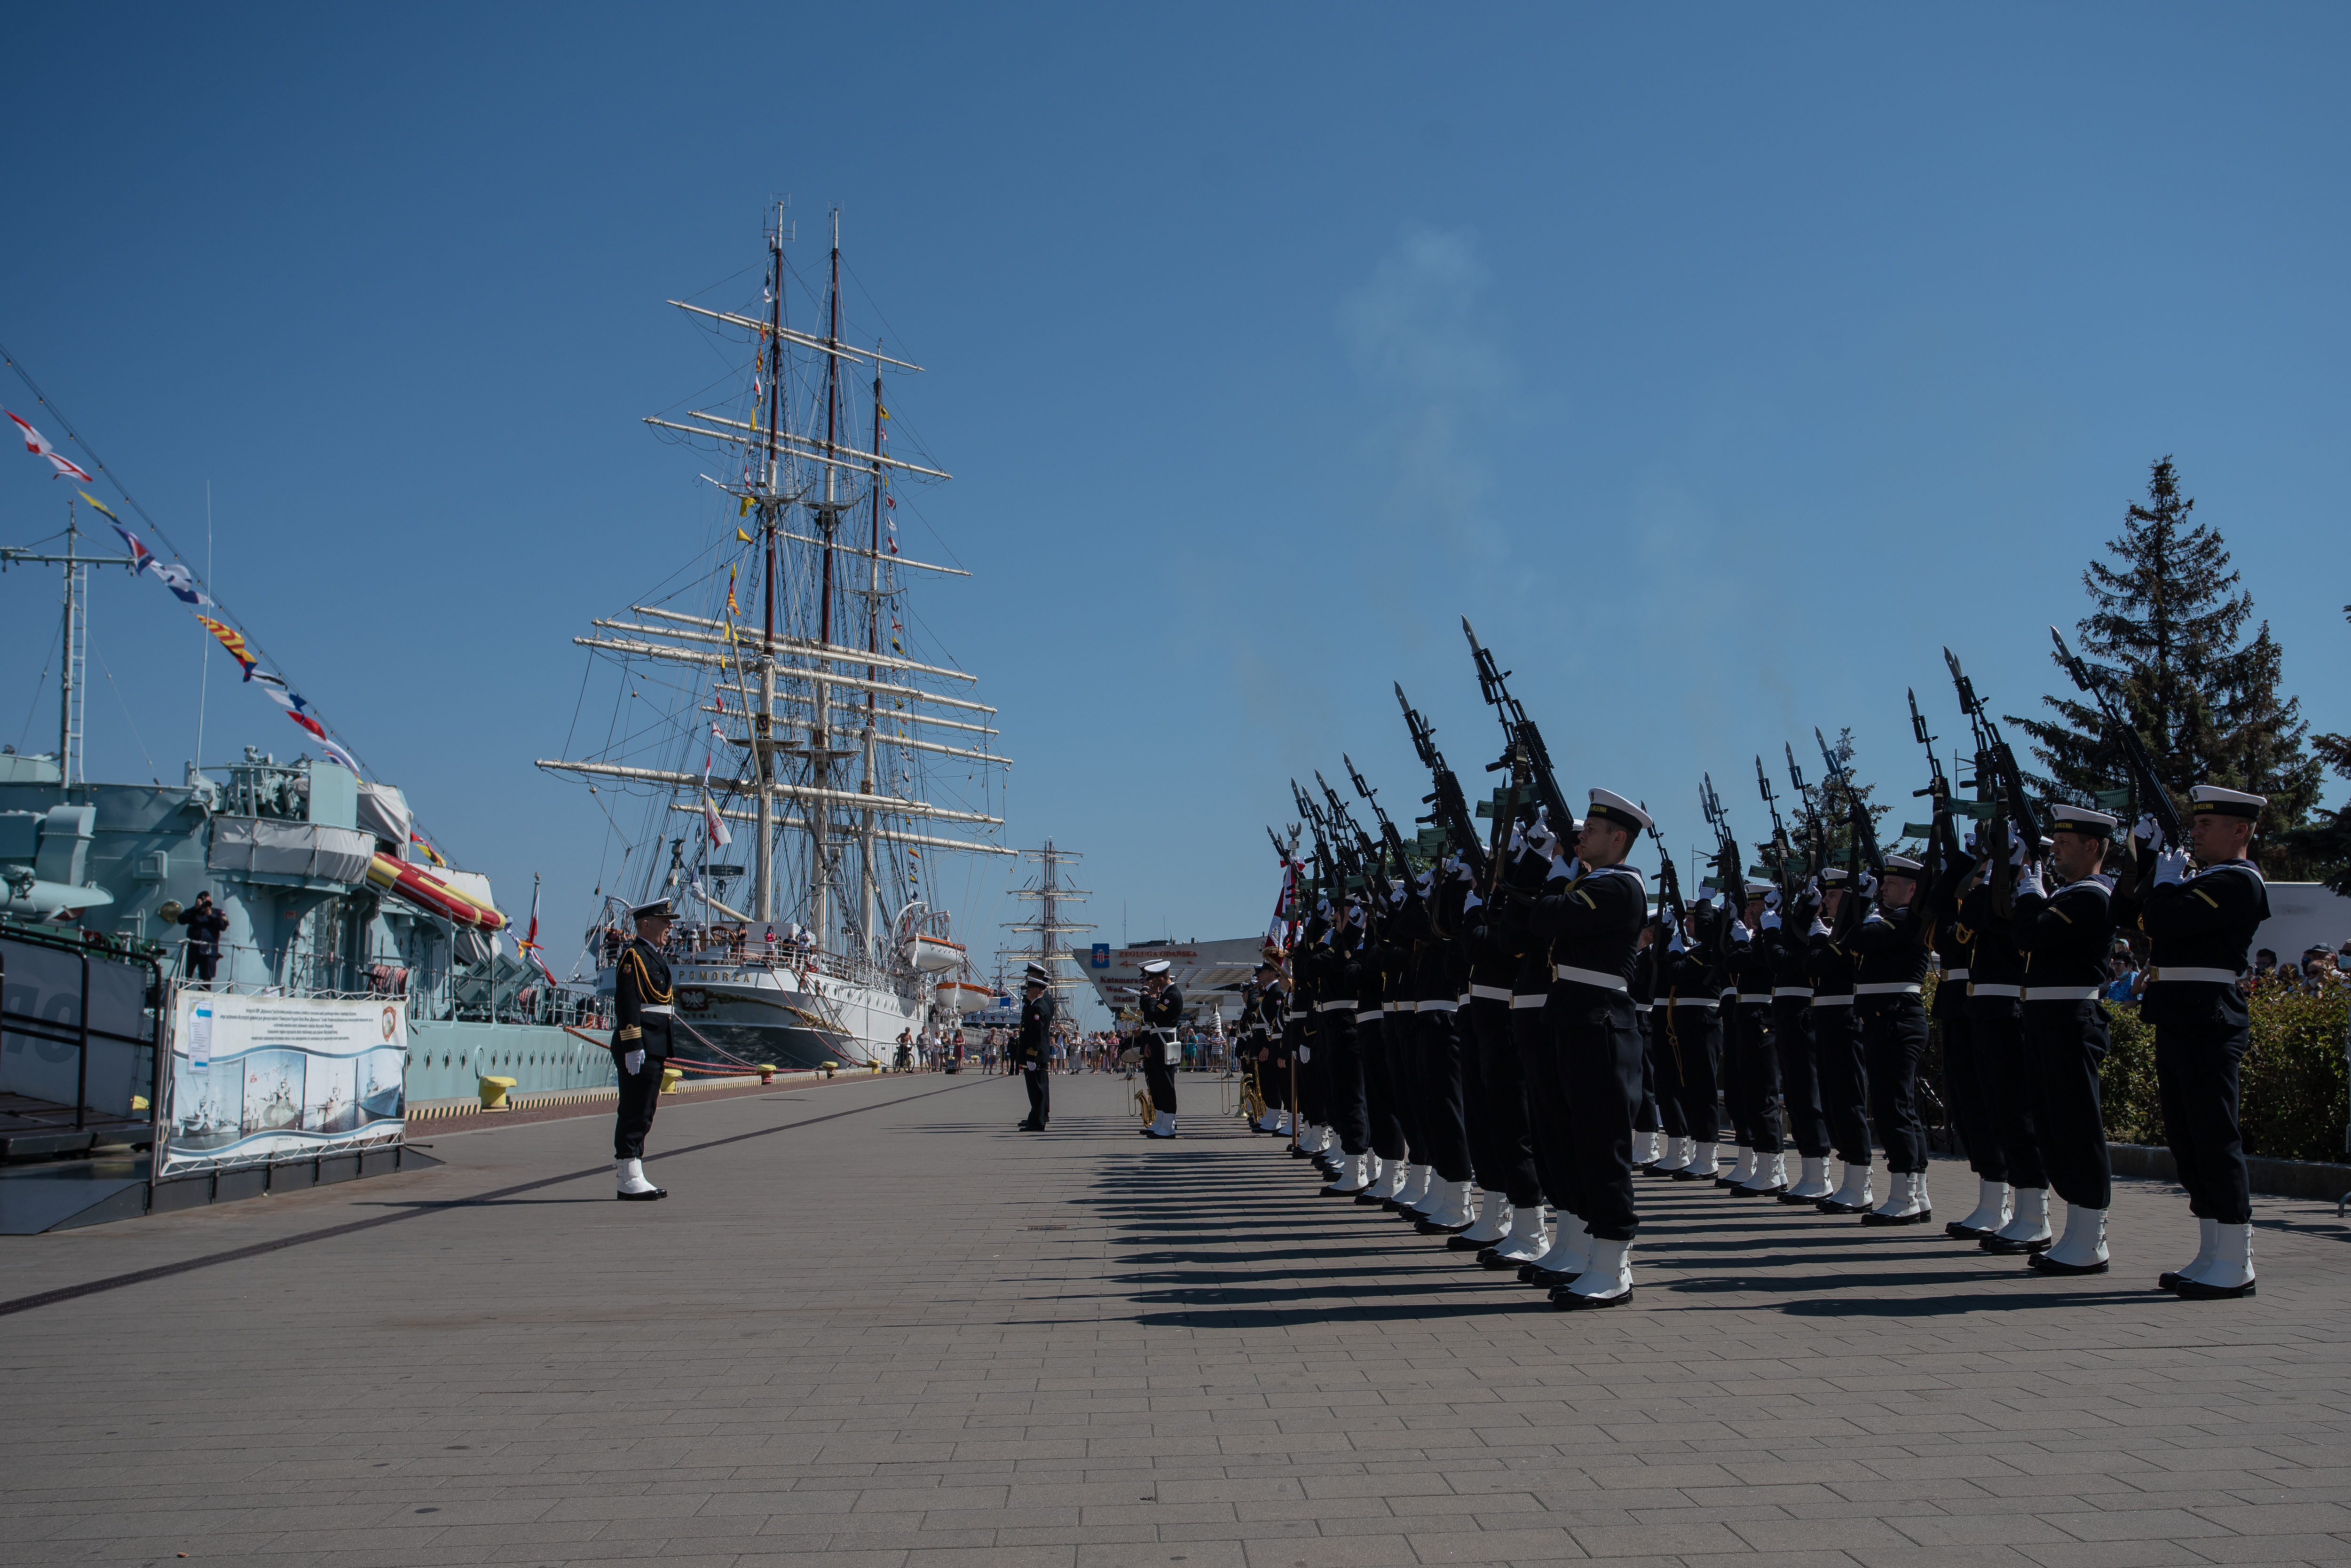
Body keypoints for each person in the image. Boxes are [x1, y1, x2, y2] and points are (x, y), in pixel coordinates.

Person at [1515, 788, 1653, 1309]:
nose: (1579, 837)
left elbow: (1546, 918)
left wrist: (1556, 871)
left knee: (1602, 1146)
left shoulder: (1619, 886)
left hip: (1599, 1021)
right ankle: (1580, 1248)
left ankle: (1614, 1265)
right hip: (1574, 1016)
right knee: (1568, 1141)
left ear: (1618, 839)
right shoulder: (1593, 880)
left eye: (1590, 832)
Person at [2140, 785, 2270, 1300]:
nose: (2194, 830)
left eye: (2205, 823)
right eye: (2194, 822)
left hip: (2208, 1015)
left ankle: (2236, 1259)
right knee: (2187, 1137)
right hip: (2178, 1012)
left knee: (2214, 1135)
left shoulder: (2239, 881)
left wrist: (2165, 883)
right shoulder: (2202, 879)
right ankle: (2211, 1248)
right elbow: (2142, 917)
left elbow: (2163, 922)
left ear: (2239, 831)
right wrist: (2148, 861)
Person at [2010, 807, 2120, 1274]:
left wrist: (2029, 895)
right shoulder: (2067, 895)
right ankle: (2075, 1231)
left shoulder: (2091, 896)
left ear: (2092, 846)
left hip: (2071, 1016)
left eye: (2065, 840)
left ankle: (2090, 1235)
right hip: (2046, 1016)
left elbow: (2029, 934)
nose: (2054, 846)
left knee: (2076, 1126)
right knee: (2053, 1126)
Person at [611, 898, 676, 1201]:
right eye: (664, 922)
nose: (670, 927)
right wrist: (633, 1044)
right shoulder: (633, 956)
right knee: (635, 1109)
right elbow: (627, 1003)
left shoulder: (651, 956)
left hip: (655, 1041)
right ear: (645, 924)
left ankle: (634, 1171)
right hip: (640, 1043)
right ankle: (628, 1175)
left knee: (645, 1110)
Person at [1135, 959, 1183, 1137]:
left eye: (1154, 981)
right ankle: (1161, 1120)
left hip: (1166, 1042)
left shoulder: (1172, 995)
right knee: (1156, 1084)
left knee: (1166, 1085)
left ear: (1160, 981)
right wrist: (1150, 998)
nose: (1151, 984)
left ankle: (1169, 1124)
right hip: (1158, 1042)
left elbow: (1153, 1014)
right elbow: (1148, 1015)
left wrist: (1149, 996)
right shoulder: (1164, 994)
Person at [1012, 962, 1056, 1130]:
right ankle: (1037, 1116)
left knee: (1037, 1088)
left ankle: (1039, 1119)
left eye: (1029, 985)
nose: (1027, 989)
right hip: (1038, 1052)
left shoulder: (1040, 1004)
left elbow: (1037, 1033)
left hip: (1036, 1053)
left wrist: (1031, 1056)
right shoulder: (1037, 1003)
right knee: (1038, 1087)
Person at [177, 890, 230, 988]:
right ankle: (181, 994)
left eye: (208, 901)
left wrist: (210, 914)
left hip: (208, 951)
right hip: (193, 949)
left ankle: (204, 999)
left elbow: (223, 926)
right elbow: (181, 920)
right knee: (186, 975)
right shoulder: (193, 912)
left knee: (206, 978)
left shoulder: (217, 913)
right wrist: (195, 909)